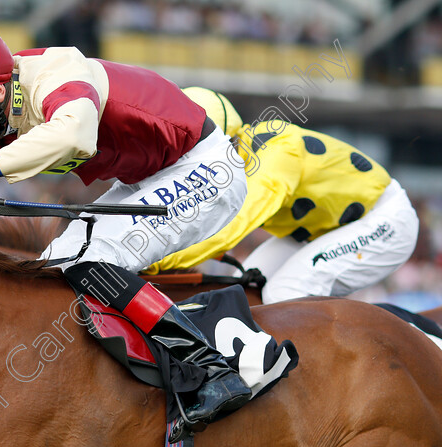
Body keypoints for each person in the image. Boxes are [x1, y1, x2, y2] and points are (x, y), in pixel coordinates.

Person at [0, 17, 252, 441]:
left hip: (205, 168)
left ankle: (210, 370)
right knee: (47, 272)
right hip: (146, 179)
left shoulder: (58, 74)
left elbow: (74, 134)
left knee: (95, 261)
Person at [143, 87, 420, 304]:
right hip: (320, 230)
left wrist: (156, 260)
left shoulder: (276, 153)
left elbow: (233, 226)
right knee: (242, 288)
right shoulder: (230, 162)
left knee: (285, 293)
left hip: (384, 220)